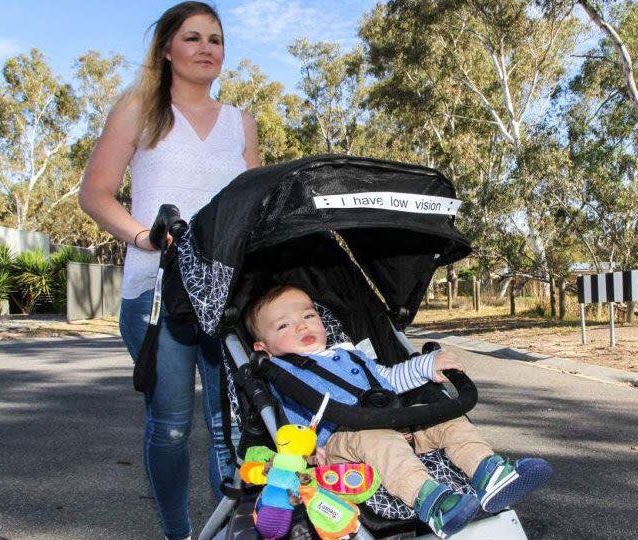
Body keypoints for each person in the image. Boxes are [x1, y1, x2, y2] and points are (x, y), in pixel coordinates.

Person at [79, 3, 260, 539]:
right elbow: (95, 193)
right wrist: (143, 237)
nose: (207, 48)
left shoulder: (241, 123)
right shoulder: (138, 109)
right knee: (173, 427)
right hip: (155, 292)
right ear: (166, 49)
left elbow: (253, 209)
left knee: (230, 430)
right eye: (193, 37)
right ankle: (179, 533)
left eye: (216, 39)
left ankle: (222, 533)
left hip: (226, 296)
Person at [246, 285, 553, 538]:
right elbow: (291, 427)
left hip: (394, 424)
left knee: (443, 415)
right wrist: (312, 452)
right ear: (263, 348)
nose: (301, 325)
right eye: (284, 325)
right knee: (376, 438)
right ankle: (433, 502)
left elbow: (388, 379)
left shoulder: (349, 354)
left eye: (308, 315)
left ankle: (490, 473)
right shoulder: (282, 373)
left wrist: (427, 366)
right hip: (345, 443)